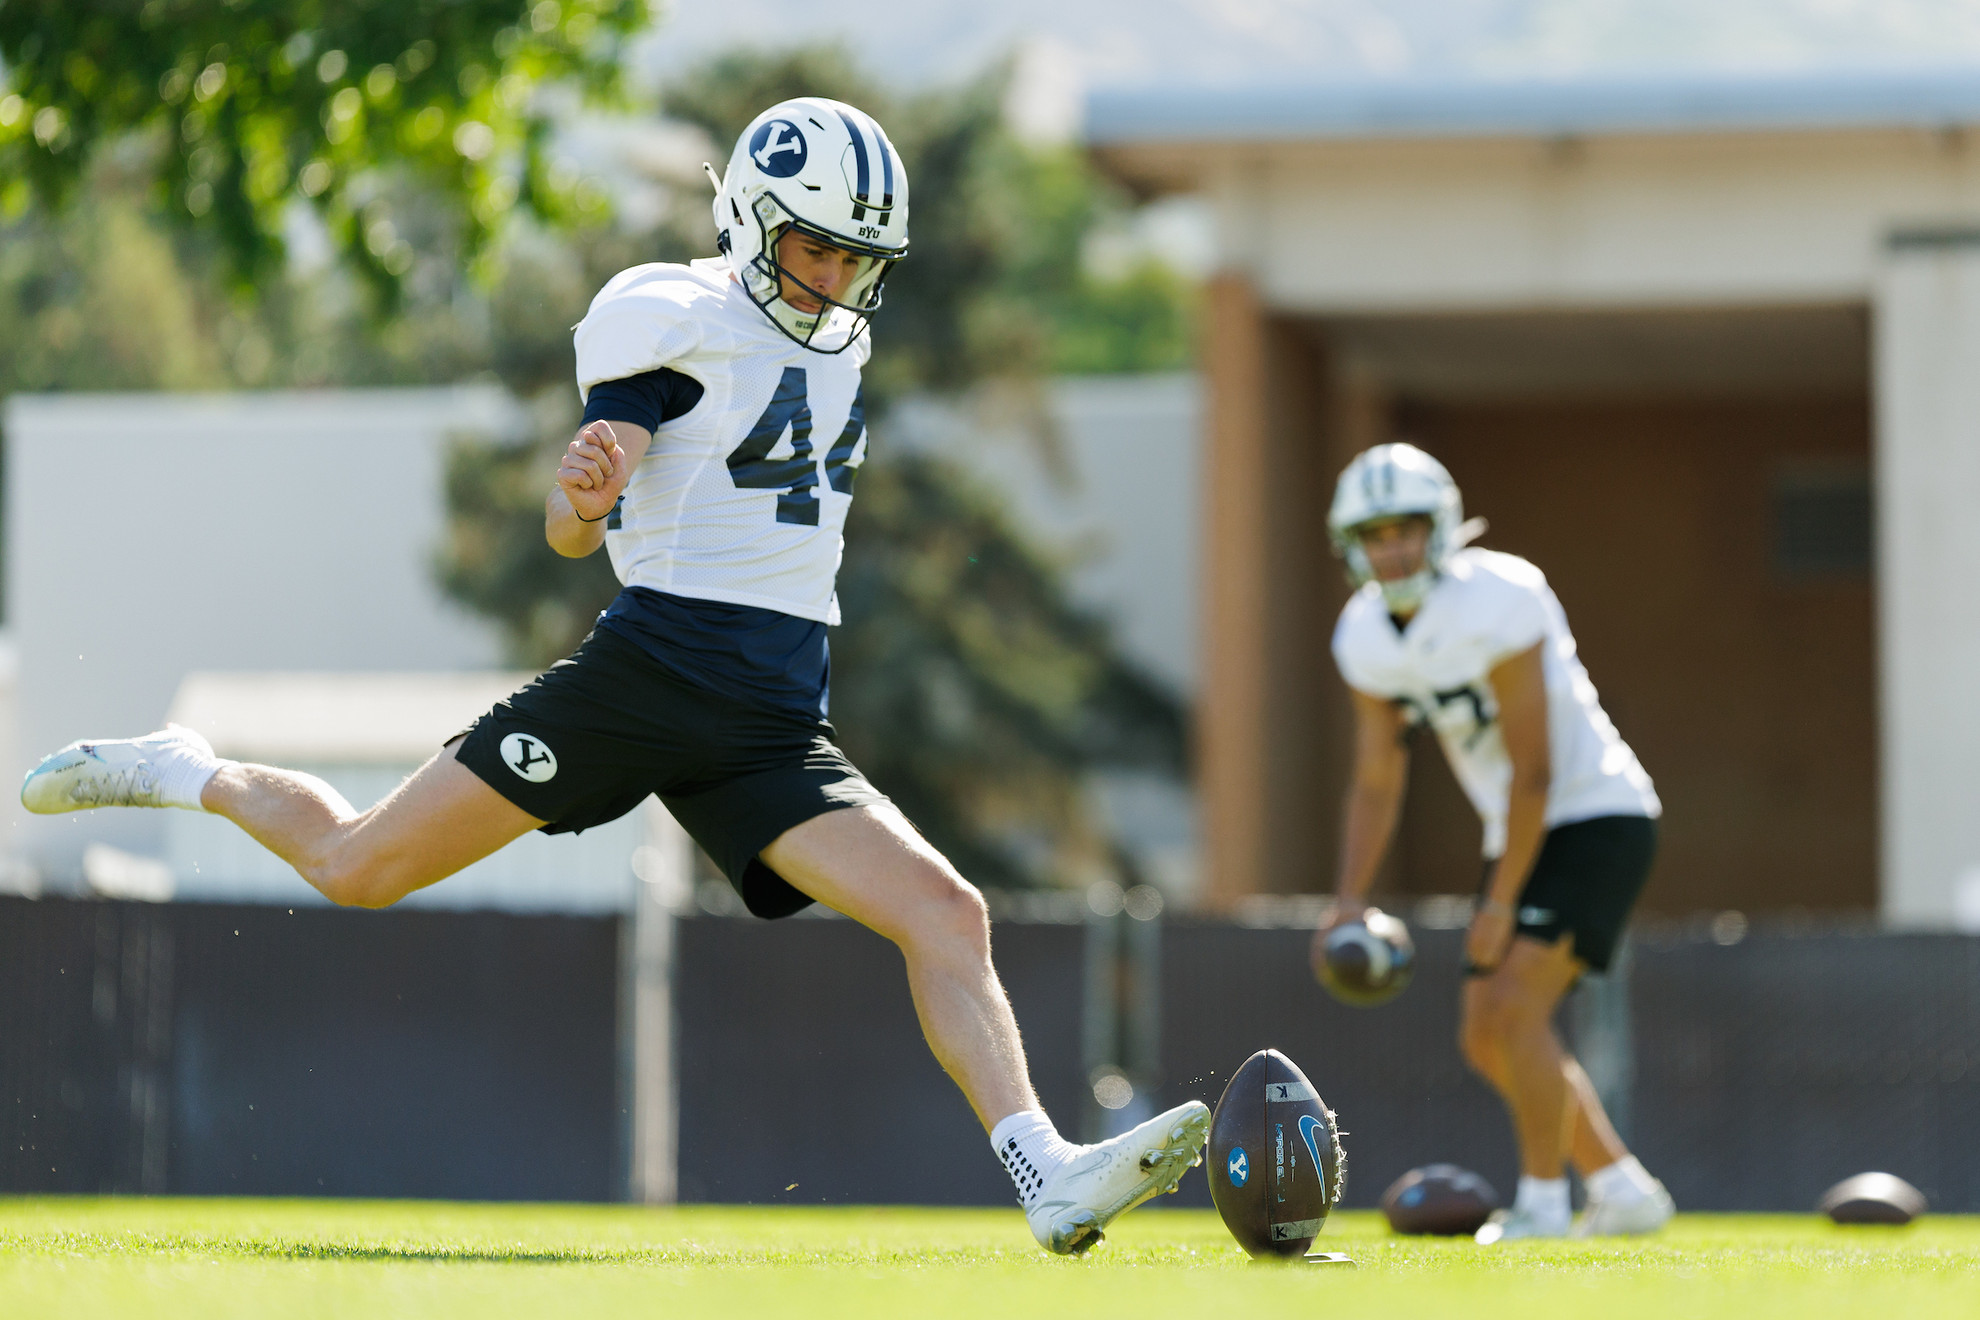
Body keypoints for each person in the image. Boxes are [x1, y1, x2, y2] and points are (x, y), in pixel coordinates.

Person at [21, 96, 1208, 1254]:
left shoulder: (842, 339)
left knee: (947, 911)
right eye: (814, 247)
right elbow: (578, 519)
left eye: (856, 258)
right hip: (650, 676)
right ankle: (189, 774)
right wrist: (581, 504)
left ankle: (1042, 1171)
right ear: (748, 218)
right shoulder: (673, 314)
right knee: (357, 866)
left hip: (774, 718)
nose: (836, 278)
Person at [1314, 443, 1674, 1242]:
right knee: (1487, 1034)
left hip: (1594, 815)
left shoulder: (1503, 594)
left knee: (1515, 1007)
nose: (1394, 548)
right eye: (1377, 534)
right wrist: (1346, 901)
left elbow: (1536, 771)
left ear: (1440, 528)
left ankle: (1545, 1204)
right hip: (1519, 830)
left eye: (1408, 528)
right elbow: (1376, 780)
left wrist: (1501, 899)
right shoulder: (1364, 635)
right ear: (1353, 545)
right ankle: (1621, 1186)